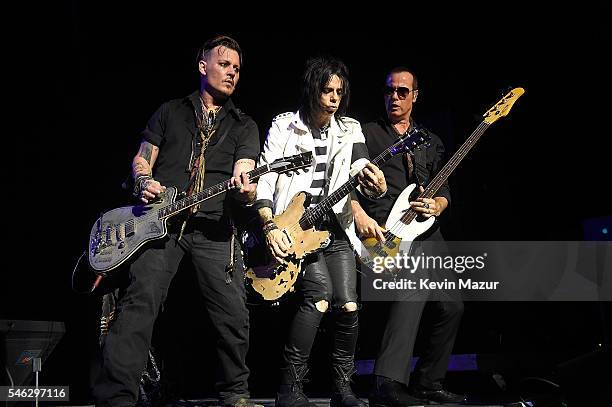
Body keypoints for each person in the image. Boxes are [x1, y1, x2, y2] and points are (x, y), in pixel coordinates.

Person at [91, 35, 262, 407]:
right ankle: (116, 397)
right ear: (203, 67)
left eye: (237, 68)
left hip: (214, 226)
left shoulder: (243, 124)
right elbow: (143, 156)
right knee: (140, 302)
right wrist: (142, 179)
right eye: (224, 64)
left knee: (232, 312)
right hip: (160, 224)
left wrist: (246, 189)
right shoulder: (170, 111)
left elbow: (245, 169)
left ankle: (235, 392)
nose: (232, 72)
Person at [253, 56, 387, 407]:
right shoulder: (285, 126)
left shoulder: (350, 129)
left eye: (339, 92)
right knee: (319, 296)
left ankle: (342, 390)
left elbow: (359, 164)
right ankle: (290, 388)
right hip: (296, 227)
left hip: (334, 227)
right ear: (313, 89)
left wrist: (375, 182)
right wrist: (269, 223)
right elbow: (265, 176)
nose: (333, 98)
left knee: (349, 305)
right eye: (327, 90)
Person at [351, 67, 466, 405]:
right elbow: (349, 181)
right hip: (389, 232)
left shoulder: (430, 140)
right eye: (389, 91)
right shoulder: (368, 134)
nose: (395, 97)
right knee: (412, 293)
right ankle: (386, 382)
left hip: (429, 230)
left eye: (403, 91)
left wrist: (438, 204)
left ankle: (429, 381)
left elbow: (445, 188)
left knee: (453, 306)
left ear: (415, 95)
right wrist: (361, 217)